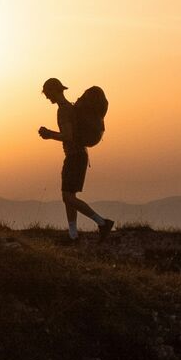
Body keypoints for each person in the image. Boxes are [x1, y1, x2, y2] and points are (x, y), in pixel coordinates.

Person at [37, 77, 114, 241]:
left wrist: (49, 134)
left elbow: (68, 135)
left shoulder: (64, 110)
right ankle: (73, 234)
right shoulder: (70, 107)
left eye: (47, 92)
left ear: (54, 91)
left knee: (68, 197)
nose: (46, 97)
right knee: (68, 195)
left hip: (75, 156)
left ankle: (102, 222)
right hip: (78, 155)